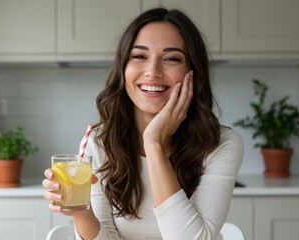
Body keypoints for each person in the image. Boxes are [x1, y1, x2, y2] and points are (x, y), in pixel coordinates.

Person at [42, 7, 244, 240]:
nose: (152, 72)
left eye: (171, 58)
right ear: (123, 68)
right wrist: (81, 213)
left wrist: (153, 143)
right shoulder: (100, 142)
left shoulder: (221, 144)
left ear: (192, 72)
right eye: (139, 56)